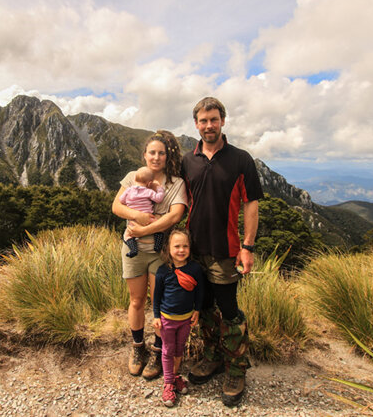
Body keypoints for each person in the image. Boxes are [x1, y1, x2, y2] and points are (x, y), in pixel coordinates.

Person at [181, 97, 262, 407]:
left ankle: (237, 368)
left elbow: (251, 204)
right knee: (204, 307)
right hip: (193, 250)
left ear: (223, 121)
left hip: (227, 251)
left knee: (229, 311)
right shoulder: (188, 161)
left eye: (213, 119)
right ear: (196, 124)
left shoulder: (241, 159)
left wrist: (248, 246)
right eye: (203, 121)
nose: (208, 125)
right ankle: (214, 357)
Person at [112, 130, 188, 381]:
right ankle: (137, 348)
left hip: (159, 252)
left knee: (159, 304)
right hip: (133, 249)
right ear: (144, 155)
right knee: (136, 301)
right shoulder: (132, 177)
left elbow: (175, 215)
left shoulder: (175, 183)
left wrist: (145, 228)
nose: (156, 157)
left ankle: (157, 350)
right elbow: (116, 206)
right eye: (152, 153)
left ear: (167, 156)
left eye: (161, 153)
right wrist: (137, 216)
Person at [152, 229, 204, 407]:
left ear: (190, 248)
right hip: (167, 319)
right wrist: (156, 316)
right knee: (167, 350)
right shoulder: (163, 271)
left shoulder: (195, 269)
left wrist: (197, 310)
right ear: (168, 248)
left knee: (179, 349)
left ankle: (174, 377)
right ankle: (168, 383)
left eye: (185, 246)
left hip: (186, 319)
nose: (181, 250)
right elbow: (156, 297)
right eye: (177, 246)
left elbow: (199, 291)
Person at [118, 166, 165, 257]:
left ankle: (133, 249)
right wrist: (160, 189)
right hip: (149, 219)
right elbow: (158, 199)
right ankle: (157, 245)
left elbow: (121, 200)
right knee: (159, 228)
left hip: (133, 222)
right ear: (149, 183)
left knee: (127, 235)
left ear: (135, 178)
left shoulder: (129, 190)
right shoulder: (148, 192)